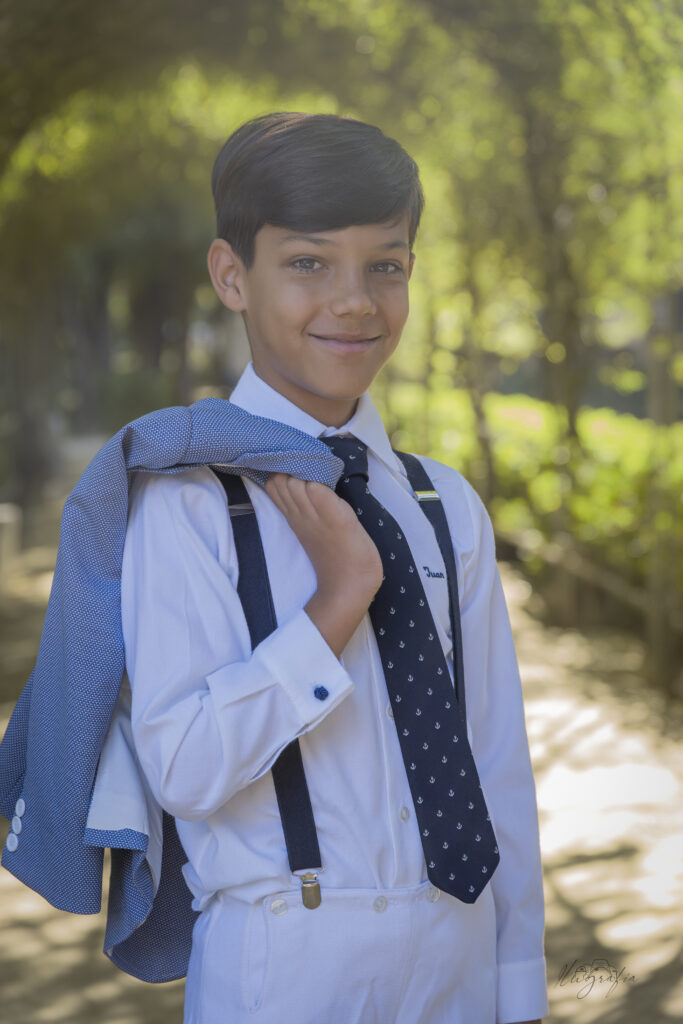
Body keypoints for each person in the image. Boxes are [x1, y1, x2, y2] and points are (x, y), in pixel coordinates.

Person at [119, 112, 547, 1023]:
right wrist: (337, 602)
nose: (354, 301)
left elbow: (496, 768)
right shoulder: (187, 502)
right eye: (309, 262)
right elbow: (184, 768)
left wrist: (519, 990)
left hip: (459, 951)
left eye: (384, 265)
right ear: (232, 275)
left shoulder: (440, 505)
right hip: (287, 959)